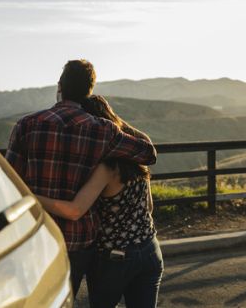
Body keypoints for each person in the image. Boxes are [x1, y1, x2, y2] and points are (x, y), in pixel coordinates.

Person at [5, 60, 157, 297]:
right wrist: (115, 122)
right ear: (89, 91)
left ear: (60, 86)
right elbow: (148, 152)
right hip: (80, 241)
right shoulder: (104, 130)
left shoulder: (27, 125)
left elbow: (9, 181)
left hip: (37, 235)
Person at [41, 95, 162, 308]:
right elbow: (149, 207)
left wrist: (31, 198)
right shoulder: (138, 161)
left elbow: (75, 210)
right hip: (150, 249)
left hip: (115, 258)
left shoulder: (107, 167)